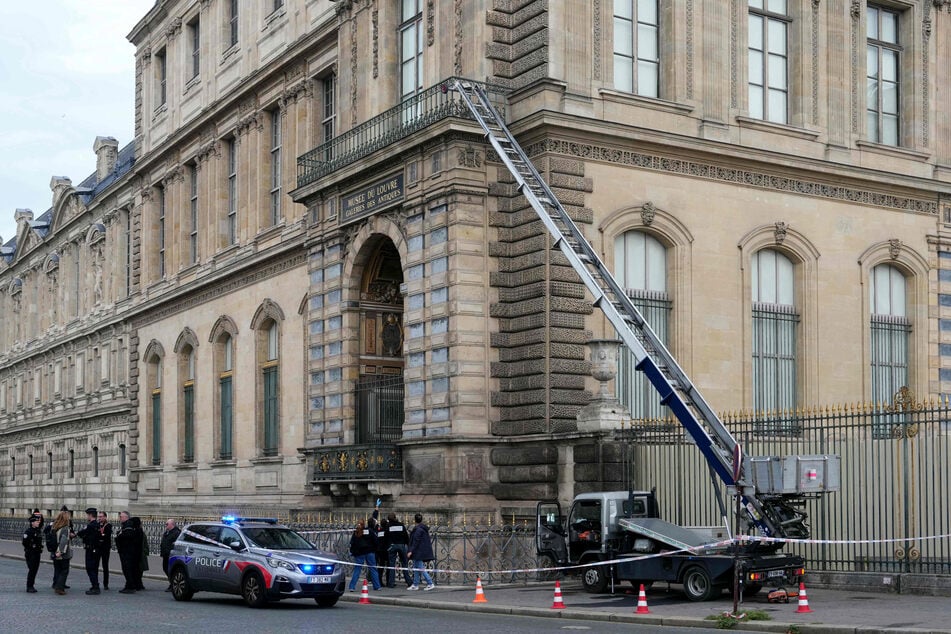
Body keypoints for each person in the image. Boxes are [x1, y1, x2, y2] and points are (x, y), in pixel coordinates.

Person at [347, 520, 381, 592]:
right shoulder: (370, 531)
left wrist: (353, 552)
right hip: (370, 552)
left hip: (359, 553)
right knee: (373, 569)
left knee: (357, 569)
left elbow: (352, 543)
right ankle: (377, 586)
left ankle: (352, 586)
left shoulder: (356, 532)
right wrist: (375, 549)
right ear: (364, 524)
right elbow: (376, 540)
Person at [407, 513, 436, 591]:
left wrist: (410, 551)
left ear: (414, 520)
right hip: (419, 551)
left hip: (418, 552)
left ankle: (430, 583)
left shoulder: (418, 530)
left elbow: (415, 541)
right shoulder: (422, 528)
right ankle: (415, 584)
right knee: (416, 568)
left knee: (420, 568)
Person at [384, 512, 414, 588]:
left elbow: (386, 537)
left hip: (392, 545)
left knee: (391, 565)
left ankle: (391, 583)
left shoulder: (388, 526)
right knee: (404, 564)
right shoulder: (401, 525)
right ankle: (409, 581)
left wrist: (387, 546)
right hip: (401, 545)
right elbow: (406, 536)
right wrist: (407, 545)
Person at [76, 507, 101, 595]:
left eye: (87, 515)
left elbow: (82, 533)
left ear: (90, 515)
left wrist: (77, 534)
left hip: (91, 549)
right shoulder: (97, 524)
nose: (87, 517)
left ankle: (95, 587)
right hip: (96, 549)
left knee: (90, 568)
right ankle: (95, 585)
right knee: (94, 568)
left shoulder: (91, 525)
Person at [115, 511, 140, 594]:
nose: (120, 518)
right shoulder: (126, 525)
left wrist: (120, 535)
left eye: (121, 517)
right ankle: (128, 585)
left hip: (127, 551)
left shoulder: (128, 525)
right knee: (126, 569)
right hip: (125, 551)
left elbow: (128, 536)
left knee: (127, 569)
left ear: (126, 517)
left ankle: (131, 586)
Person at [50, 510, 72, 595]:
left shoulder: (54, 527)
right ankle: (60, 588)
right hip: (62, 554)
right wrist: (60, 552)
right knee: (64, 570)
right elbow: (63, 541)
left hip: (54, 551)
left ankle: (56, 585)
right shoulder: (65, 528)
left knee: (58, 569)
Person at [22, 513, 44, 592]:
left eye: (38, 521)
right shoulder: (28, 532)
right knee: (32, 570)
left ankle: (31, 585)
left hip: (37, 553)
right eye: (36, 521)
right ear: (32, 522)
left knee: (35, 570)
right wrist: (32, 547)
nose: (38, 522)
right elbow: (25, 543)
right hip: (31, 553)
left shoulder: (37, 531)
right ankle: (29, 586)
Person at [159, 518, 181, 591]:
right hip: (166, 554)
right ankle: (172, 583)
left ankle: (172, 584)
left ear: (172, 525)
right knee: (165, 568)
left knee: (170, 570)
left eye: (167, 524)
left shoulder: (176, 533)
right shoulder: (167, 532)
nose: (166, 525)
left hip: (171, 555)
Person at [95, 511, 113, 590]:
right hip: (98, 548)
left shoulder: (108, 525)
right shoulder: (97, 525)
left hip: (105, 548)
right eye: (99, 516)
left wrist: (101, 535)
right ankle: (95, 583)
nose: (100, 518)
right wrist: (101, 535)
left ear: (105, 517)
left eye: (101, 516)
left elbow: (106, 535)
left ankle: (106, 583)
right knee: (95, 566)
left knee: (105, 566)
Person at [133, 516, 149, 590]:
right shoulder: (139, 531)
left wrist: (145, 552)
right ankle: (138, 583)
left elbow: (145, 544)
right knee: (138, 570)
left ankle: (138, 584)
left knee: (138, 570)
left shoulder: (139, 532)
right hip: (140, 554)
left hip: (140, 554)